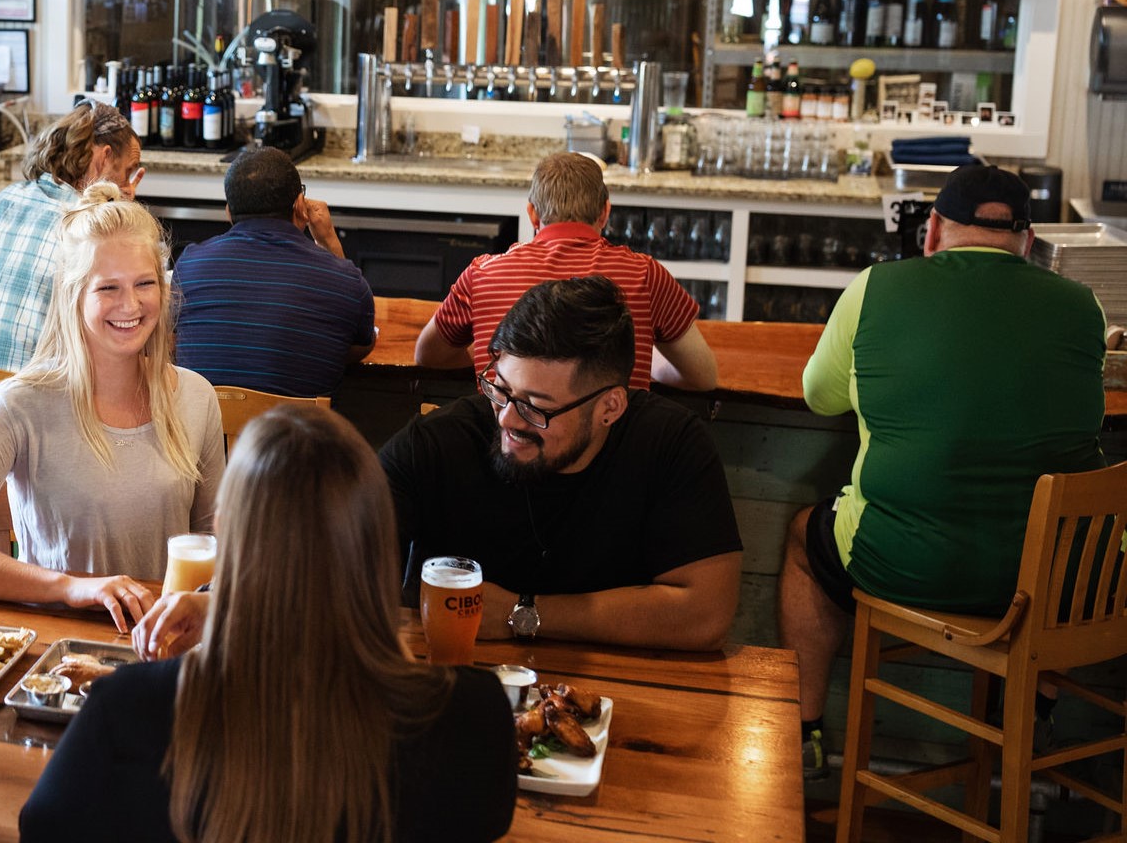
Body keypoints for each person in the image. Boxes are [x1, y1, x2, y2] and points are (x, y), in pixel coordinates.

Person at [20, 405, 516, 843]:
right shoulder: (476, 717)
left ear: (225, 532)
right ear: (380, 537)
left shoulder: (125, 707)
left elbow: (42, 827)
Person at [781, 164, 1104, 778]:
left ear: (931, 231)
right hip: (1056, 582)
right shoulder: (1082, 306)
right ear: (1028, 243)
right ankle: (1031, 720)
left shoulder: (876, 288)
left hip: (904, 566)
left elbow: (819, 397)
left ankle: (805, 734)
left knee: (804, 540)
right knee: (1069, 541)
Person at [0, 183, 225, 630]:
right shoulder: (18, 404)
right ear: (72, 296)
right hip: (57, 643)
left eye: (144, 283)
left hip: (162, 642)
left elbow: (216, 541)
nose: (130, 305)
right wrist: (71, 588)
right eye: (108, 288)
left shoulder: (197, 396)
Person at [381, 276, 743, 652]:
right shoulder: (432, 445)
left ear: (609, 408)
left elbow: (706, 615)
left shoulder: (670, 443)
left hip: (613, 684)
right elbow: (347, 578)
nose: (506, 418)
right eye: (500, 388)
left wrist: (522, 613)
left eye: (535, 407)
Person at [413, 152, 718, 390]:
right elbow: (703, 376)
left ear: (532, 213)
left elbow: (427, 355)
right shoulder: (645, 274)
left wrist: (492, 358)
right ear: (605, 212)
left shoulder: (482, 274)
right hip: (613, 449)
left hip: (508, 445)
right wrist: (648, 363)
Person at [0, 101, 143, 372]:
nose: (126, 183)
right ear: (104, 158)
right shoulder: (85, 225)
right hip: (29, 395)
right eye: (127, 171)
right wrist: (121, 213)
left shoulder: (3, 199)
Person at [172, 147, 375, 398]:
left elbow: (173, 342)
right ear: (299, 205)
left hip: (203, 424)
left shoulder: (189, 264)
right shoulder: (344, 279)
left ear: (228, 212)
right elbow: (360, 342)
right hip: (297, 425)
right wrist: (329, 241)